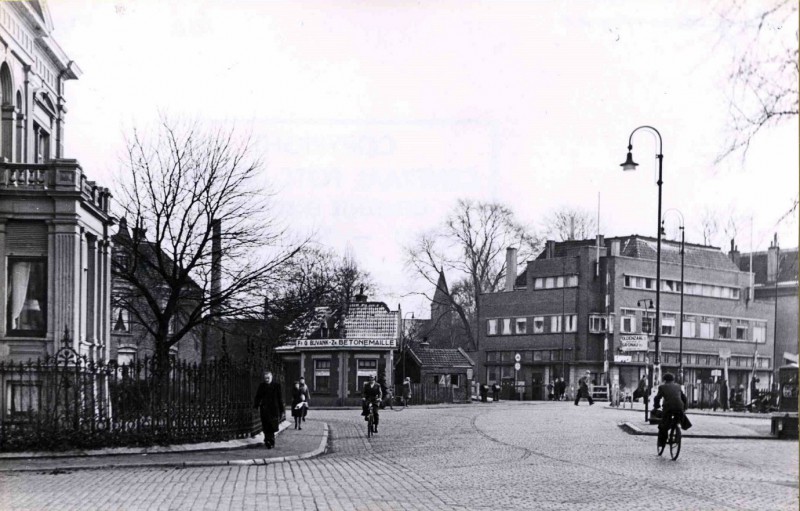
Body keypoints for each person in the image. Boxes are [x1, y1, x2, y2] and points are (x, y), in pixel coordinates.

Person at [652, 373, 688, 449]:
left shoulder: (662, 387)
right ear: (673, 379)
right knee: (679, 418)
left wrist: (656, 407)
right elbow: (684, 398)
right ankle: (677, 434)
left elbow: (657, 398)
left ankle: (661, 442)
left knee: (663, 425)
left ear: (665, 380)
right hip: (679, 407)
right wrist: (684, 408)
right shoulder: (678, 386)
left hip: (668, 408)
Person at [253, 370, 284, 449]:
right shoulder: (262, 386)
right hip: (264, 409)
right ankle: (267, 440)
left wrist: (282, 410)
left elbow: (280, 398)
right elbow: (258, 397)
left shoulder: (277, 386)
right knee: (265, 425)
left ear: (271, 377)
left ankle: (271, 440)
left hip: (273, 409)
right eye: (265, 378)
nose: (266, 379)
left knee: (272, 426)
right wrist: (256, 406)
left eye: (268, 378)